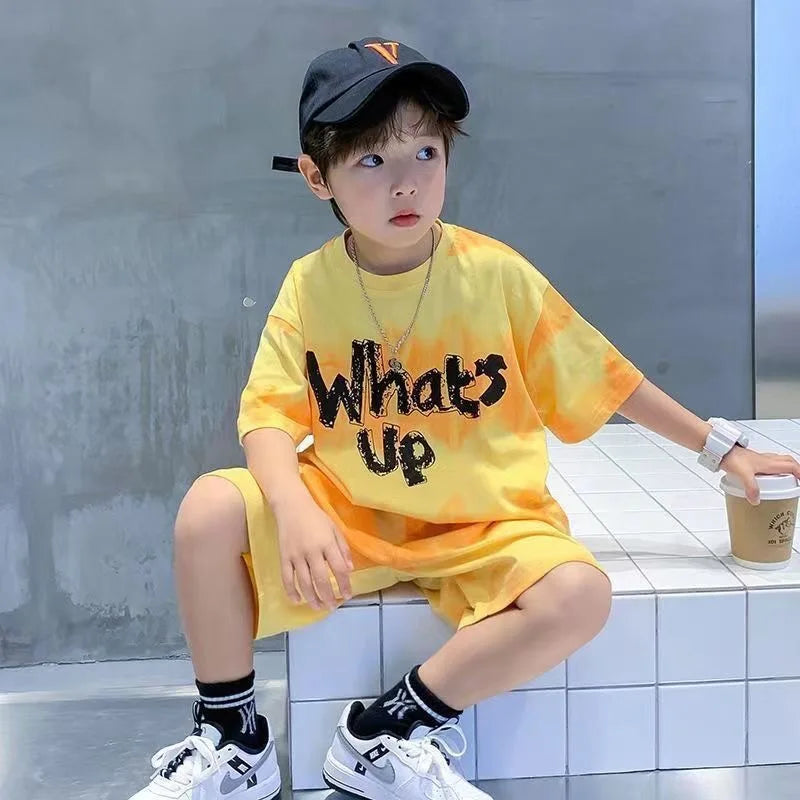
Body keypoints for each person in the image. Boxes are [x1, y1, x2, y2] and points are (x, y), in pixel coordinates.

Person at [129, 36, 800, 800]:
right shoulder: (310, 285)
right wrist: (292, 506)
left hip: (482, 522)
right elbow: (268, 417)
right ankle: (234, 742)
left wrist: (722, 448)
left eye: (426, 153)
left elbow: (607, 377)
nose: (406, 182)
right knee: (208, 510)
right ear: (317, 178)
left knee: (580, 595)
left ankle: (385, 732)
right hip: (353, 515)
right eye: (372, 160)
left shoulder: (495, 275)